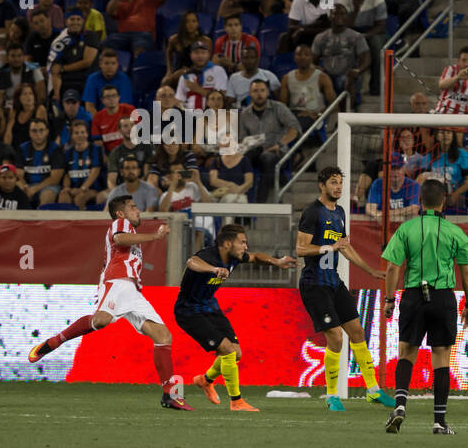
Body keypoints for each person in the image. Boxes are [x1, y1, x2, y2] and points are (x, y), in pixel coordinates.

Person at [26, 193, 191, 410]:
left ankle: (170, 395)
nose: (137, 210)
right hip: (117, 281)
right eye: (133, 207)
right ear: (121, 213)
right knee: (101, 320)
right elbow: (119, 239)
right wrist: (154, 237)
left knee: (163, 336)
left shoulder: (129, 228)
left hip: (132, 288)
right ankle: (54, 341)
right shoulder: (120, 223)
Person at [292, 166, 395, 412]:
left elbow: (345, 247)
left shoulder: (339, 212)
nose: (338, 187)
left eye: (340, 183)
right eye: (333, 182)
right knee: (336, 336)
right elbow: (300, 249)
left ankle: (372, 391)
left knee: (357, 331)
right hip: (314, 284)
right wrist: (329, 248)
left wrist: (370, 271)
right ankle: (331, 395)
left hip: (333, 281)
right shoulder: (311, 212)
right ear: (322, 185)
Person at [380, 179, 468, 434]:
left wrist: (389, 300)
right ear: (444, 201)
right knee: (441, 358)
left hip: (414, 296)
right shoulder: (455, 232)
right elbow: (466, 272)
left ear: (419, 202)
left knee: (406, 352)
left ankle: (400, 405)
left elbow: (392, 267)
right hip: (443, 298)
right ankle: (439, 422)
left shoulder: (406, 229)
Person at [175, 222, 295, 412]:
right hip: (189, 311)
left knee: (236, 353)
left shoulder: (234, 257)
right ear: (228, 244)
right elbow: (191, 262)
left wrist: (277, 262)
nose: (246, 247)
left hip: (209, 306)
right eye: (242, 242)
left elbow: (255, 257)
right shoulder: (209, 255)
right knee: (228, 351)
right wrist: (213, 270)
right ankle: (236, 402)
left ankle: (205, 380)